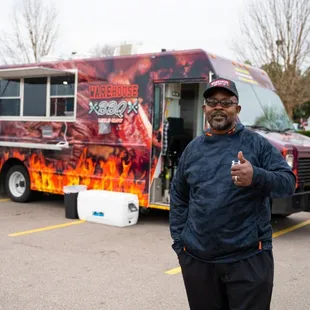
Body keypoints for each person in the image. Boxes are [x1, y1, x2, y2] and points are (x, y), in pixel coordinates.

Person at [169, 77, 296, 310]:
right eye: (212, 102)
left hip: (248, 259)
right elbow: (179, 195)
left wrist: (256, 176)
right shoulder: (193, 149)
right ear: (205, 107)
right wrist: (180, 243)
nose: (219, 107)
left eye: (226, 102)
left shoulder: (256, 144)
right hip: (198, 261)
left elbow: (288, 182)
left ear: (237, 109)